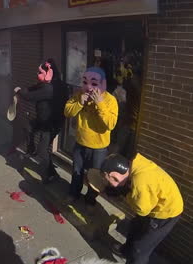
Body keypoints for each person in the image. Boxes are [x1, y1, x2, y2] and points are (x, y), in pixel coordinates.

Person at [87, 153, 183, 264]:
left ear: (115, 176)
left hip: (165, 213)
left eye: (109, 180)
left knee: (140, 249)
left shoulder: (140, 183)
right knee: (134, 228)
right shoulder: (134, 165)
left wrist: (125, 193)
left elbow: (142, 210)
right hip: (153, 202)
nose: (108, 184)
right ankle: (125, 251)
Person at [64, 67, 118, 205]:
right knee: (77, 171)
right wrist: (80, 102)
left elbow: (110, 124)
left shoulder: (110, 100)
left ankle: (90, 199)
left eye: (94, 84)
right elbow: (67, 112)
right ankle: (73, 194)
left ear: (103, 84)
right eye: (85, 82)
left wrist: (100, 104)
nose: (89, 87)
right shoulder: (79, 95)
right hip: (80, 143)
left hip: (99, 147)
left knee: (95, 177)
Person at [14, 61, 58, 183]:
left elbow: (30, 96)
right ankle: (31, 149)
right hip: (41, 120)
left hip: (48, 125)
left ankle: (49, 176)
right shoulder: (42, 85)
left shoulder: (48, 88)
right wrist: (21, 90)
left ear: (48, 74)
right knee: (28, 127)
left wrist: (19, 92)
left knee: (43, 152)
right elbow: (30, 89)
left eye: (40, 72)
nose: (37, 74)